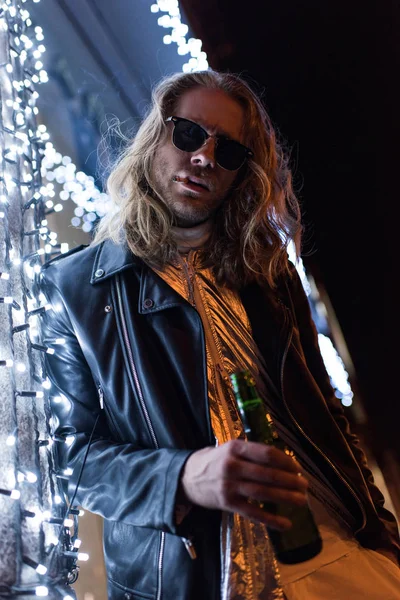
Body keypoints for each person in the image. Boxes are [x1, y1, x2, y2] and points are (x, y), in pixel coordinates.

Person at [40, 70, 400, 600]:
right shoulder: (72, 288)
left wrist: (381, 531)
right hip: (188, 574)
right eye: (188, 134)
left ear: (241, 173)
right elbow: (68, 461)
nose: (205, 157)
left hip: (331, 549)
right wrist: (183, 477)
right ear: (155, 138)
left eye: (228, 151)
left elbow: (326, 414)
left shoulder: (268, 272)